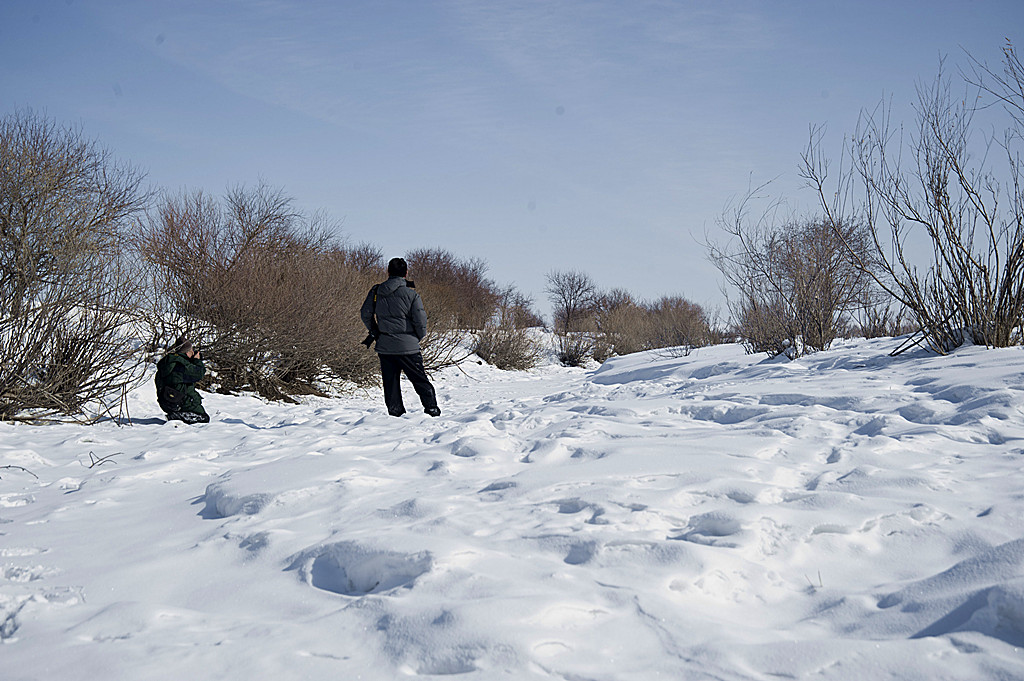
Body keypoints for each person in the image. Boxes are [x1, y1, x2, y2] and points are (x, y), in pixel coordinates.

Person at [361, 258, 441, 417]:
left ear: (388, 272)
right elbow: (420, 320)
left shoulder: (376, 291)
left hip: (385, 346)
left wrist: (375, 331)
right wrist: (416, 337)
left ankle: (395, 415)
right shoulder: (411, 294)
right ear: (405, 273)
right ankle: (431, 410)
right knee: (419, 379)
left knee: (390, 383)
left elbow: (365, 313)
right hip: (408, 346)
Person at [155, 337, 211, 424]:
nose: (193, 352)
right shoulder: (181, 364)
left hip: (167, 402)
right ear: (187, 352)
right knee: (203, 418)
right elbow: (199, 373)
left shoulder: (167, 363)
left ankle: (177, 414)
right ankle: (179, 416)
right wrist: (196, 360)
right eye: (191, 350)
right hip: (182, 402)